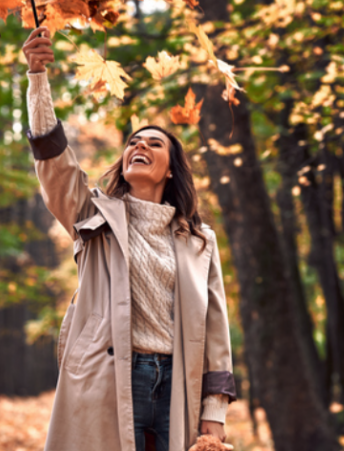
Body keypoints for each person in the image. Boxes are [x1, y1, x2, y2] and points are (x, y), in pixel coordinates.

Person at [22, 26, 236, 451]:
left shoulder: (199, 241)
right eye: (134, 142)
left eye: (154, 144)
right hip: (108, 377)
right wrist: (37, 78)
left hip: (178, 383)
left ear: (171, 168)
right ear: (123, 163)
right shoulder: (93, 217)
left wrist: (214, 415)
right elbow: (55, 165)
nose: (140, 146)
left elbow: (215, 332)